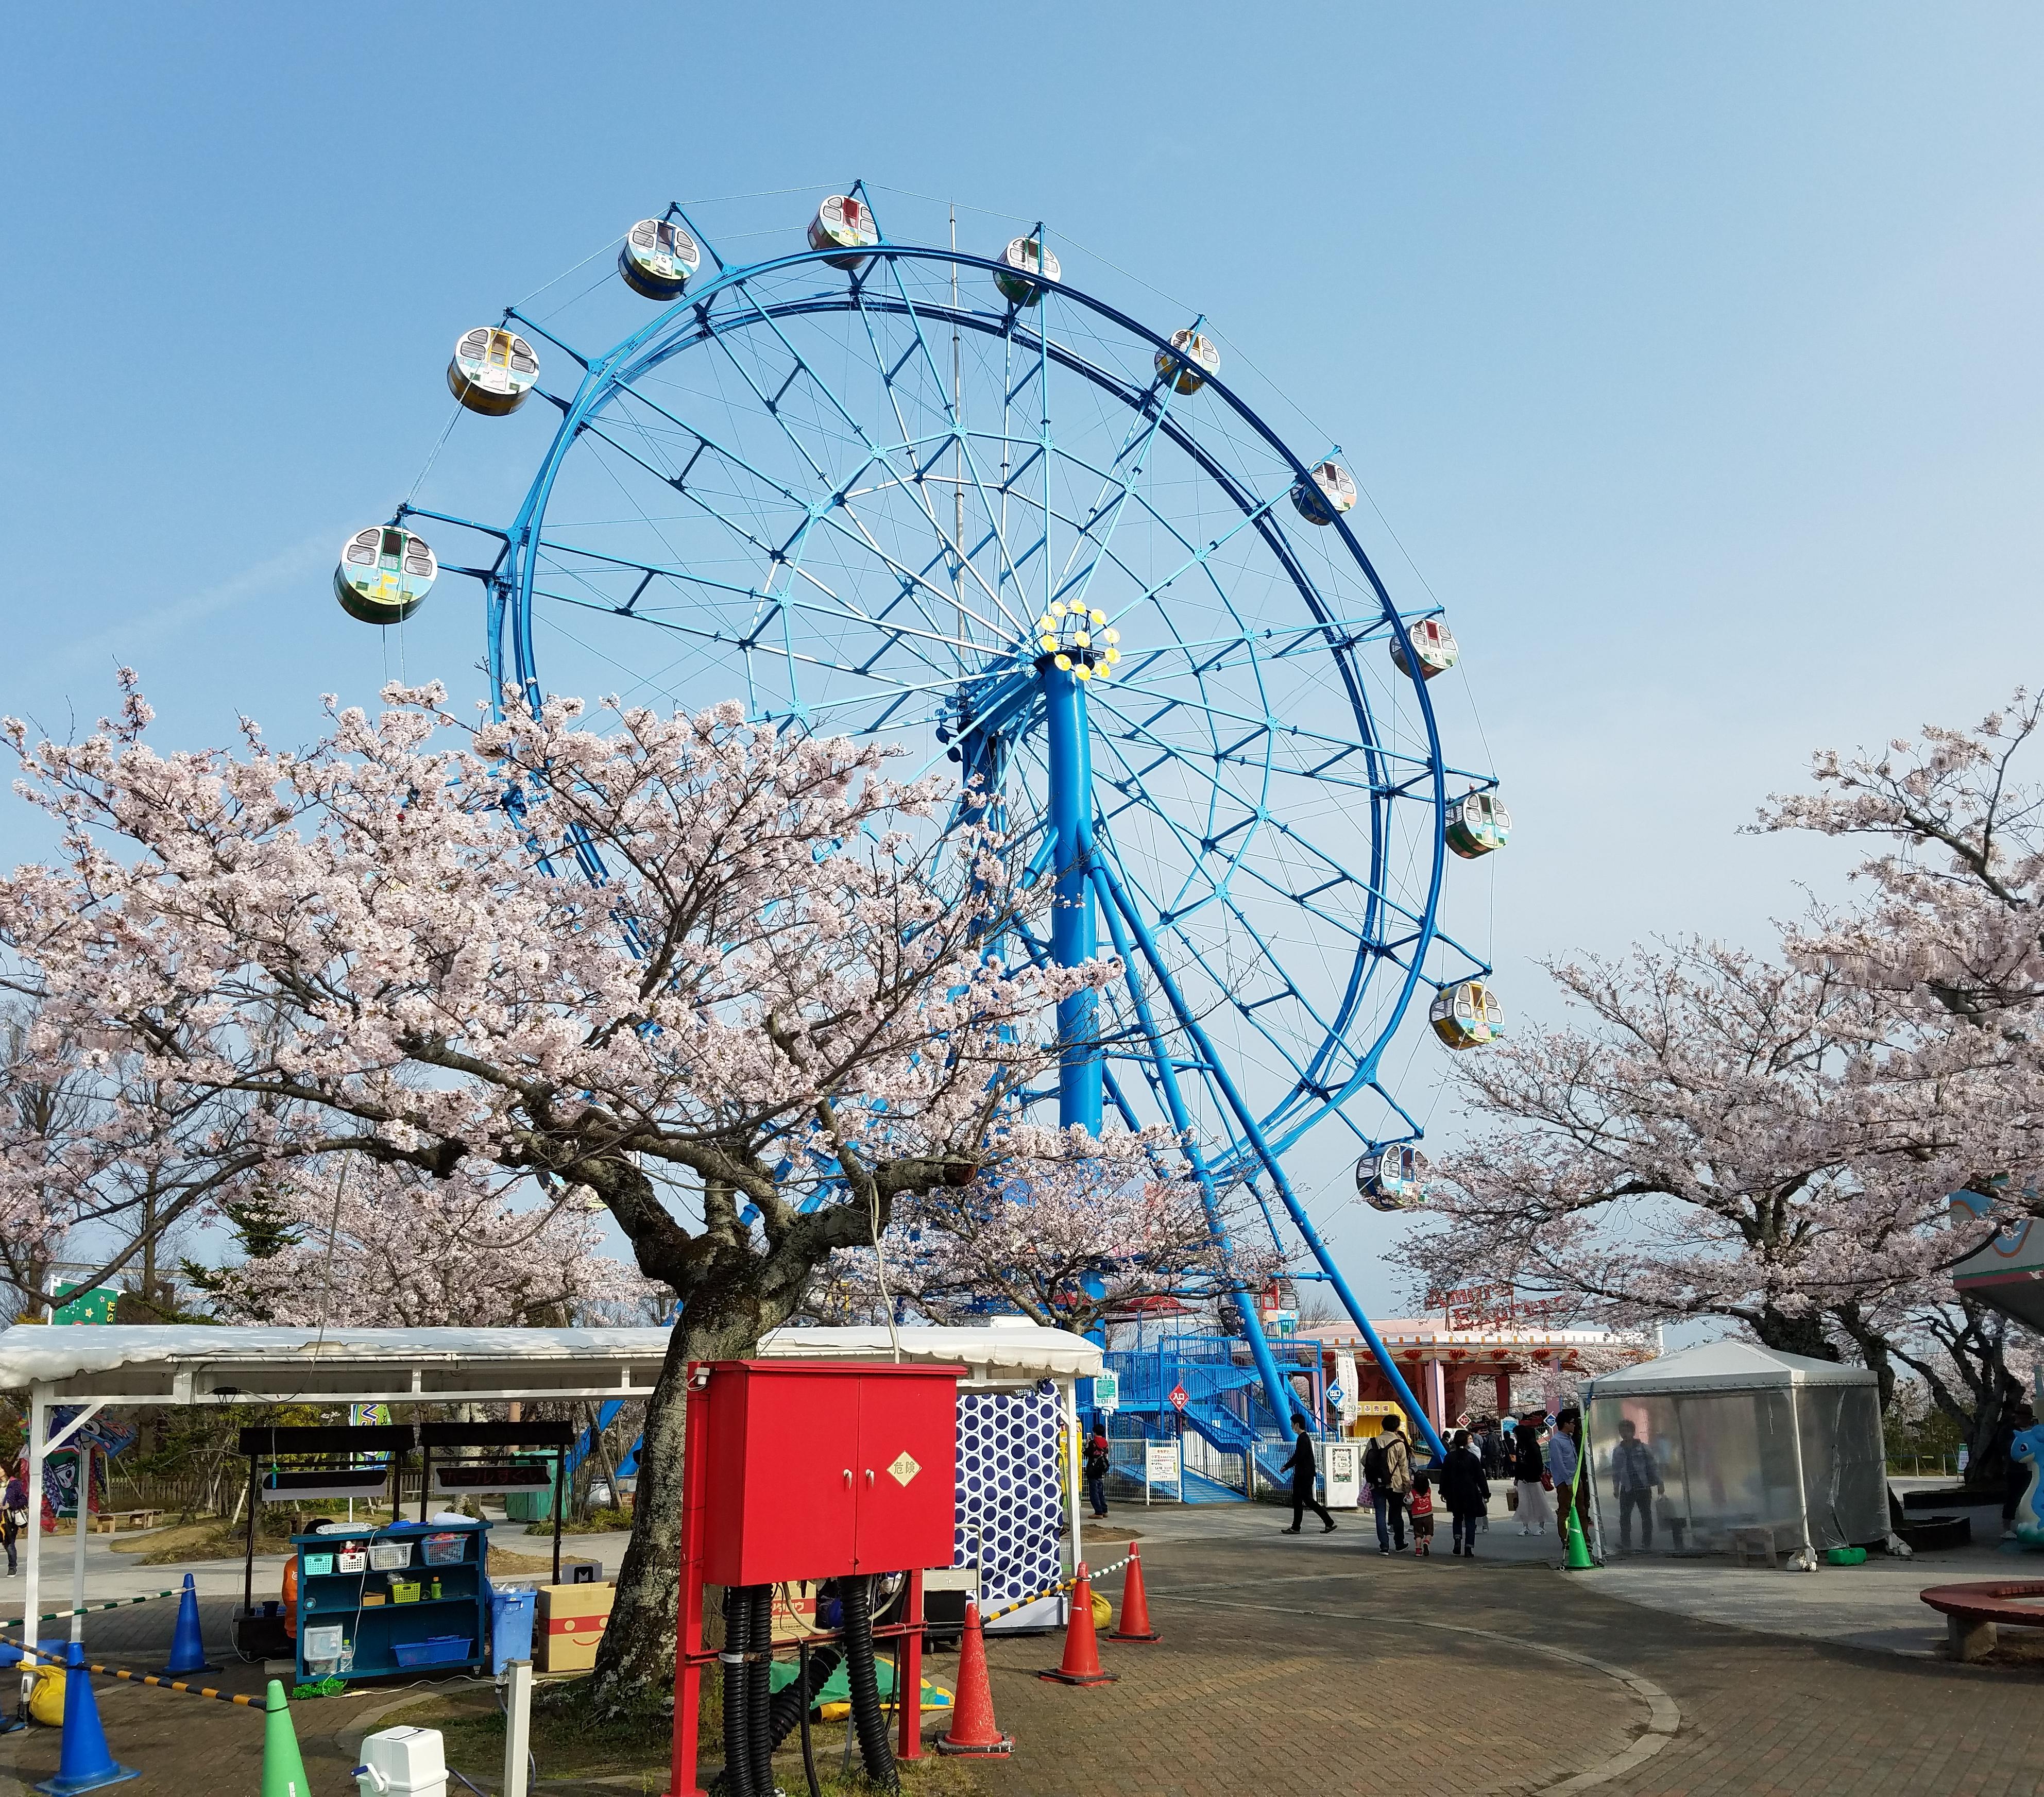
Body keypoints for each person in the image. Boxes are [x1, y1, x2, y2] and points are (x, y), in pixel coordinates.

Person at [1610, 1417, 1663, 1551]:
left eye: (1628, 1431)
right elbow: (1616, 1470)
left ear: (1633, 1432)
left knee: (1646, 1515)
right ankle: (1626, 1543)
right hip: (1627, 1488)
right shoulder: (1618, 1451)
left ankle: (1647, 1543)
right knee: (1625, 1516)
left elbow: (1653, 1466)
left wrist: (1659, 1483)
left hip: (1643, 1486)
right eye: (1622, 1431)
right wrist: (1616, 1486)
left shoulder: (1643, 1448)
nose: (1625, 1434)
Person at [1363, 1414, 1413, 1554]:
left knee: (1380, 1514)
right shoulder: (1399, 1444)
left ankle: (1384, 1546)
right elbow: (1404, 1468)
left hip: (1376, 1485)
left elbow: (1364, 1461)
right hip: (1395, 1484)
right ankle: (1399, 1543)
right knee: (1396, 1514)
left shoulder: (1373, 1441)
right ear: (1397, 1427)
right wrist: (1407, 1485)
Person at [1280, 1414, 1337, 1534]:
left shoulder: (1302, 1439)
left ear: (1297, 1425)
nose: (1291, 1427)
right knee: (1303, 1500)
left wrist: (1286, 1466)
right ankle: (1326, 1522)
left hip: (1303, 1475)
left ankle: (1299, 1527)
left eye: (1292, 1424)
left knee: (1303, 1500)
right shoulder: (1305, 1438)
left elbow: (1298, 1456)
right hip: (1307, 1474)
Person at [1440, 1427, 1491, 1557]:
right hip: (1470, 1492)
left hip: (1454, 1492)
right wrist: (1486, 1493)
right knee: (1470, 1520)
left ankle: (1457, 1540)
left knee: (1457, 1517)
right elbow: (1480, 1477)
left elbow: (1444, 1476)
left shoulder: (1449, 1457)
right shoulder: (1472, 1458)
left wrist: (1443, 1491)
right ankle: (1469, 1548)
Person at [1548, 1406, 1585, 1546]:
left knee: (1581, 1509)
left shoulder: (1569, 1439)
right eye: (1572, 1422)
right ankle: (1566, 1538)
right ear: (1565, 1424)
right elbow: (1559, 1463)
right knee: (1565, 1510)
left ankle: (1583, 1537)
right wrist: (1568, 1481)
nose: (1574, 1425)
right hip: (1565, 1482)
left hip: (1576, 1479)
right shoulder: (1556, 1441)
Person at [1513, 1409, 1553, 1536]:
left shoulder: (1533, 1446)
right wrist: (1518, 1477)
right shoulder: (1519, 1446)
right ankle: (1525, 1526)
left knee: (1539, 1502)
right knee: (1524, 1503)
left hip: (1534, 1479)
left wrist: (1532, 1476)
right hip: (1523, 1480)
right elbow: (1518, 1464)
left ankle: (1542, 1526)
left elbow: (1538, 1464)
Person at [2, 1467, 26, 1576]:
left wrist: (11, 1505)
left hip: (9, 1518)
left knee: (8, 1543)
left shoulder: (15, 1484)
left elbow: (23, 1500)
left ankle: (12, 1567)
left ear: (5, 1471)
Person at [1085, 1424, 1112, 1520]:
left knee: (1094, 1492)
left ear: (1095, 1432)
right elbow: (1106, 1452)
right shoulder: (1105, 1442)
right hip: (1101, 1469)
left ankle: (1098, 1512)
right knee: (1100, 1491)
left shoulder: (1093, 1443)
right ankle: (1104, 1510)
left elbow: (1086, 1453)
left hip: (1092, 1469)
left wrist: (1087, 1444)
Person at [1407, 1470, 1437, 1556]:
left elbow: (1408, 1501)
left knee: (1418, 1534)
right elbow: (1429, 1483)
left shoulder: (1413, 1493)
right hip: (1428, 1514)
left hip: (1417, 1516)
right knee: (1429, 1532)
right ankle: (1426, 1542)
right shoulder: (1429, 1490)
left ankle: (1418, 1550)